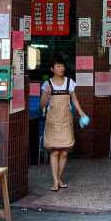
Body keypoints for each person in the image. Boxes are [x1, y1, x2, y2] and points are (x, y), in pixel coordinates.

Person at [40, 56, 87, 192]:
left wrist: (81, 112)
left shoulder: (69, 82)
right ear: (52, 69)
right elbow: (43, 104)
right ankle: (56, 181)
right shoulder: (47, 84)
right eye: (58, 66)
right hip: (53, 121)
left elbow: (74, 100)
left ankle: (58, 178)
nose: (61, 68)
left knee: (64, 153)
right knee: (54, 152)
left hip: (66, 120)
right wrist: (44, 96)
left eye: (62, 66)